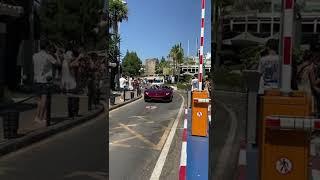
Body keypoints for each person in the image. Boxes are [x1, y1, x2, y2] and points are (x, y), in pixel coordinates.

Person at [33, 40, 60, 125]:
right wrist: (57, 55)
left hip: (36, 79)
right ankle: (40, 117)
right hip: (45, 80)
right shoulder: (48, 56)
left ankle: (37, 117)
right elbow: (58, 64)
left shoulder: (34, 55)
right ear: (47, 47)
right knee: (44, 100)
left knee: (39, 101)